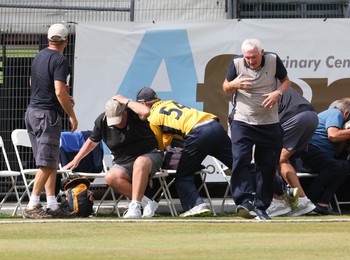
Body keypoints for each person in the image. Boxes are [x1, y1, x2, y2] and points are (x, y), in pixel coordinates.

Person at [136, 87, 233, 217]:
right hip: (213, 124)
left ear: (143, 104)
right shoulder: (169, 103)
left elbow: (158, 146)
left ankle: (195, 205)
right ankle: (265, 199)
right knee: (239, 165)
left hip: (197, 133)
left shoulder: (152, 118)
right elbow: (168, 136)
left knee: (183, 176)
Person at [63, 95, 164, 218]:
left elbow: (146, 111)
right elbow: (92, 141)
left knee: (140, 162)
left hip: (149, 156)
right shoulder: (102, 121)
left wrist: (124, 100)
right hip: (124, 162)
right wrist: (76, 160)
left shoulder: (134, 114)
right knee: (111, 177)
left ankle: (135, 206)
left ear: (125, 112)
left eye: (119, 119)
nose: (116, 124)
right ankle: (148, 202)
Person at [222, 38, 290, 220]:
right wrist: (234, 84)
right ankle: (244, 202)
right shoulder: (236, 63)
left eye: (254, 57)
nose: (250, 61)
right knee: (241, 158)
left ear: (262, 52)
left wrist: (278, 93)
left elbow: (285, 81)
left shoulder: (274, 60)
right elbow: (225, 87)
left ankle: (261, 206)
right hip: (242, 120)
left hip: (269, 122)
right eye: (247, 58)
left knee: (267, 166)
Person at [23, 23, 78, 219]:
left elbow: (33, 82)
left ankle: (53, 205)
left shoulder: (39, 56)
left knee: (50, 161)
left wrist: (57, 95)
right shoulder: (60, 60)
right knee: (47, 163)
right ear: (66, 41)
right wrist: (71, 115)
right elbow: (59, 91)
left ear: (48, 39)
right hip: (47, 115)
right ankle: (33, 205)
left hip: (32, 112)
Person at [295, 98, 350, 215]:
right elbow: (333, 136)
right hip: (309, 150)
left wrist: (347, 135)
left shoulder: (338, 122)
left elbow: (336, 152)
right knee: (335, 166)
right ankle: (309, 202)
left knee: (344, 166)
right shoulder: (335, 113)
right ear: (347, 113)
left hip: (321, 155)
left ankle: (323, 203)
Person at [266, 87, 318, 217]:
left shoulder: (259, 83)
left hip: (295, 117)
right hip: (311, 117)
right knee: (281, 159)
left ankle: (278, 201)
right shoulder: (272, 80)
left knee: (270, 158)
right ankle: (302, 200)